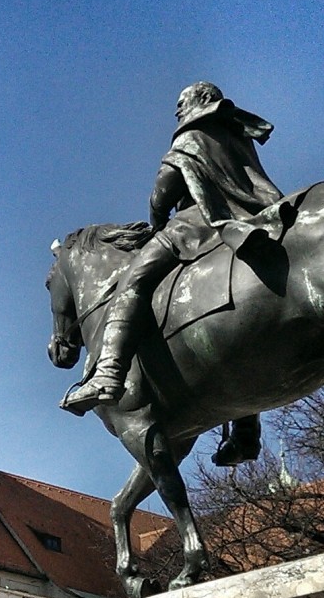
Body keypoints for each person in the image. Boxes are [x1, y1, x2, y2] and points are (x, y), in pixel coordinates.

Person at [62, 82, 284, 463]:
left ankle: (108, 372)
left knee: (132, 282)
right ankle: (246, 431)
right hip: (254, 220)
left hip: (199, 224)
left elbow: (161, 194)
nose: (178, 114)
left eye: (180, 106)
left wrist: (156, 221)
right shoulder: (235, 135)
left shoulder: (191, 139)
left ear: (194, 106)